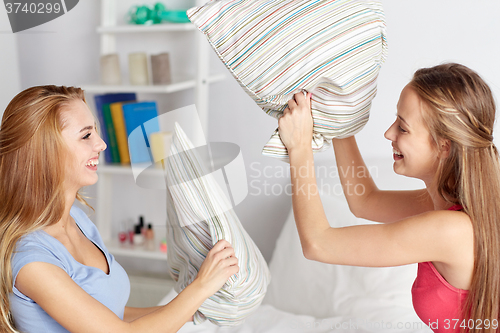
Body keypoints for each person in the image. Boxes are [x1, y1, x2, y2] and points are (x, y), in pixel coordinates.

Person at [278, 63, 500, 332]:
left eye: (403, 128)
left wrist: (299, 148)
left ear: (444, 147)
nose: (388, 133)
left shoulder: (451, 230)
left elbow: (318, 244)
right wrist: (339, 121)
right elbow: (365, 201)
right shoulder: (450, 204)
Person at [0, 85, 239, 332]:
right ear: (45, 153)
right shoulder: (32, 261)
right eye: (86, 136)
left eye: (95, 132)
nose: (102, 144)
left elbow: (111, 314)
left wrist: (193, 312)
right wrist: (201, 287)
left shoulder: (77, 220)